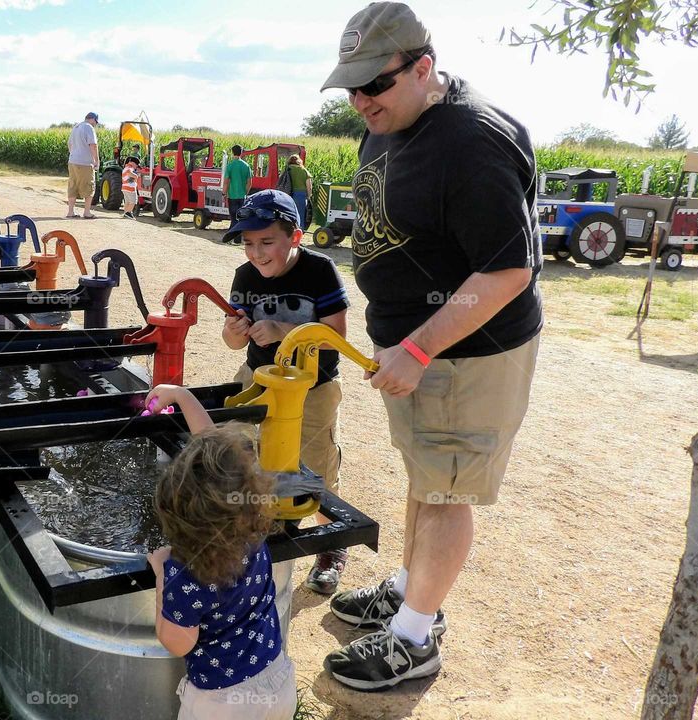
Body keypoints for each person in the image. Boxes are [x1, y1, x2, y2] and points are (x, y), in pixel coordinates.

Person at [317, 2, 543, 692]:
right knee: (426, 478)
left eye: (373, 86)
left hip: (463, 353)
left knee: (445, 495)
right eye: (350, 88)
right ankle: (410, 586)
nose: (360, 102)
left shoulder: (470, 141)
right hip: (417, 347)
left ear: (422, 67)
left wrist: (416, 349)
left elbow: (509, 269)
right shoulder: (391, 119)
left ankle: (415, 634)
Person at [221, 189, 351, 595]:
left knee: (315, 467)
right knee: (243, 453)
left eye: (266, 242)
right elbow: (232, 342)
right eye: (247, 243)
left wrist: (284, 332)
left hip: (312, 387)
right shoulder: (245, 277)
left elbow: (338, 335)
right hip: (259, 380)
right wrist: (233, 332)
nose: (256, 254)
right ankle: (259, 529)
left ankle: (331, 548)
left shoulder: (321, 271)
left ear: (294, 237)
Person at [146, 384, 297, 720]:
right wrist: (182, 396)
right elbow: (217, 458)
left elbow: (177, 642)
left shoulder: (185, 575)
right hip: (278, 681)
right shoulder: (254, 529)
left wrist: (161, 573)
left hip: (220, 704)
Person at [67, 111, 100, 219]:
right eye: (96, 122)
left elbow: (69, 144)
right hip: (85, 163)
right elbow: (93, 145)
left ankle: (70, 212)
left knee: (73, 186)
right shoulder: (89, 128)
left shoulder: (76, 127)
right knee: (89, 186)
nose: (95, 124)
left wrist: (74, 154)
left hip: (72, 161)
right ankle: (87, 212)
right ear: (93, 119)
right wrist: (96, 160)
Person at [222, 145, 252, 240]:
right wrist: (245, 192)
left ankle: (231, 236)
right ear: (241, 152)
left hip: (232, 196)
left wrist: (224, 193)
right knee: (240, 218)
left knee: (233, 218)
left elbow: (226, 182)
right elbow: (249, 182)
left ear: (232, 152)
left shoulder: (230, 166)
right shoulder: (246, 166)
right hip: (241, 196)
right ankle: (237, 239)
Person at [286, 155, 313, 232]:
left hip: (288, 194)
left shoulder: (287, 169)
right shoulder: (303, 170)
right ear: (299, 161)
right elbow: (309, 186)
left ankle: (289, 232)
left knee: (289, 214)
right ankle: (299, 234)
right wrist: (308, 196)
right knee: (300, 216)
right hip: (301, 195)